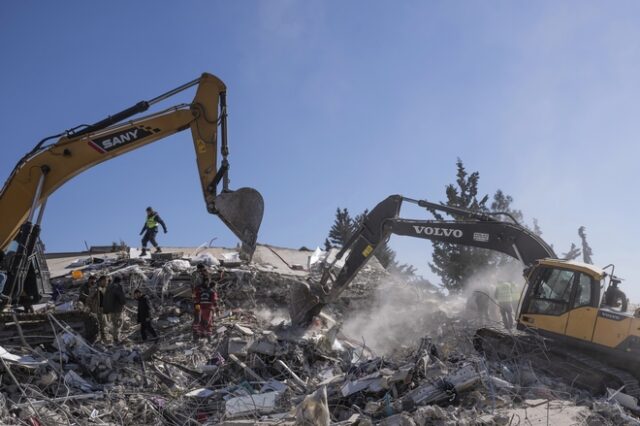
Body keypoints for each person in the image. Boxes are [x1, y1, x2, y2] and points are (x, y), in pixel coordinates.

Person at [102, 276, 127, 343]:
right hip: (117, 309)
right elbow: (121, 297)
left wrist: (106, 309)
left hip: (110, 309)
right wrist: (124, 302)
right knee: (117, 323)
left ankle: (114, 336)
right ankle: (116, 338)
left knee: (114, 323)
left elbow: (105, 298)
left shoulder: (109, 287)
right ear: (119, 281)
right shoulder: (118, 287)